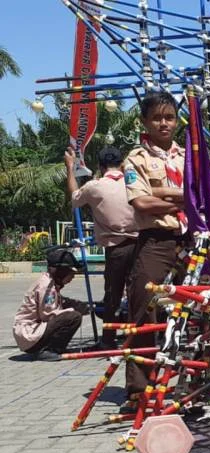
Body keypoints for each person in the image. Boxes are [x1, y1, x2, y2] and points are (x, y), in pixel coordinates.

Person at [124, 91, 186, 397]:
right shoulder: (137, 158)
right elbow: (141, 201)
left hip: (189, 240)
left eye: (169, 117)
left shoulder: (188, 156)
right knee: (144, 309)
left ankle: (191, 381)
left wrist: (165, 195)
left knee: (195, 309)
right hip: (156, 242)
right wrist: (181, 200)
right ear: (144, 122)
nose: (164, 123)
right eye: (157, 118)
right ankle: (139, 387)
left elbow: (203, 196)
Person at [66, 145, 138, 348]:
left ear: (100, 166)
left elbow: (74, 198)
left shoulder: (94, 186)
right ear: (121, 164)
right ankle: (140, 337)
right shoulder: (134, 183)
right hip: (139, 244)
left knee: (113, 295)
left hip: (116, 248)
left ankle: (108, 340)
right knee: (137, 293)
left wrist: (70, 168)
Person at [13, 248, 88, 360]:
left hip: (30, 334)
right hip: (29, 335)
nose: (72, 277)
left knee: (71, 310)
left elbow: (60, 302)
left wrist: (81, 305)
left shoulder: (50, 282)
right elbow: (48, 315)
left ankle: (53, 347)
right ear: (61, 272)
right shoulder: (47, 287)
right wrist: (73, 310)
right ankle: (49, 350)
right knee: (74, 317)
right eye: (70, 273)